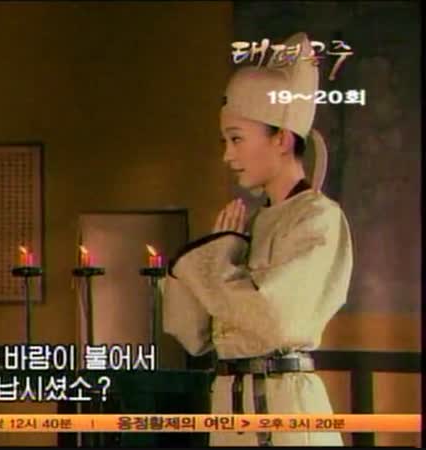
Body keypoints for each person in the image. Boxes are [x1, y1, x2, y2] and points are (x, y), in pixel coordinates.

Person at [162, 33, 353, 446]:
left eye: (236, 139)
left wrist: (213, 263)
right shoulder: (249, 226)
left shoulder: (318, 218)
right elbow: (192, 334)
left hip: (285, 407)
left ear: (280, 139)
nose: (227, 156)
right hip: (230, 408)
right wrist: (213, 255)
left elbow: (272, 321)